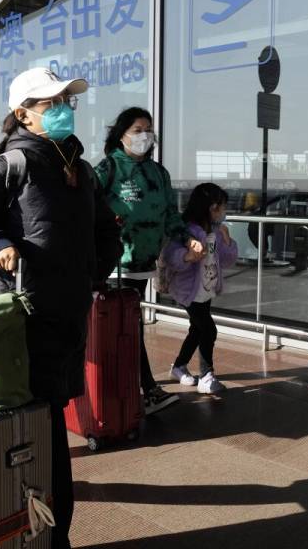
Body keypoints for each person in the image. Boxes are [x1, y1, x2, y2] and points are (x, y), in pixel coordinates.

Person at [0, 67, 120, 549]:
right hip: (24, 324)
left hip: (66, 319)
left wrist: (92, 272)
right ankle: (40, 537)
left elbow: (104, 229)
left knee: (49, 425)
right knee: (38, 431)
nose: (63, 109)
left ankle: (47, 535)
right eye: (51, 102)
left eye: (66, 100)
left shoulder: (80, 168)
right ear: (24, 115)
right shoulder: (13, 163)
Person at [95, 106, 204, 415]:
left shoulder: (158, 173)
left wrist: (187, 238)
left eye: (148, 129)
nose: (145, 135)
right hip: (116, 263)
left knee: (129, 327)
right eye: (137, 129)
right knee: (129, 326)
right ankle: (146, 389)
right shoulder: (108, 169)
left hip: (144, 264)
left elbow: (170, 215)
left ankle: (133, 388)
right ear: (121, 134)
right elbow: (86, 208)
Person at [163, 183, 238, 394]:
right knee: (208, 329)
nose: (224, 212)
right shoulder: (188, 231)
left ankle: (178, 366)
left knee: (197, 330)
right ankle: (207, 375)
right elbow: (171, 256)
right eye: (222, 207)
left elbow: (226, 260)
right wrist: (187, 256)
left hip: (206, 290)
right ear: (212, 207)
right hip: (190, 291)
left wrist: (227, 241)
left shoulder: (215, 231)